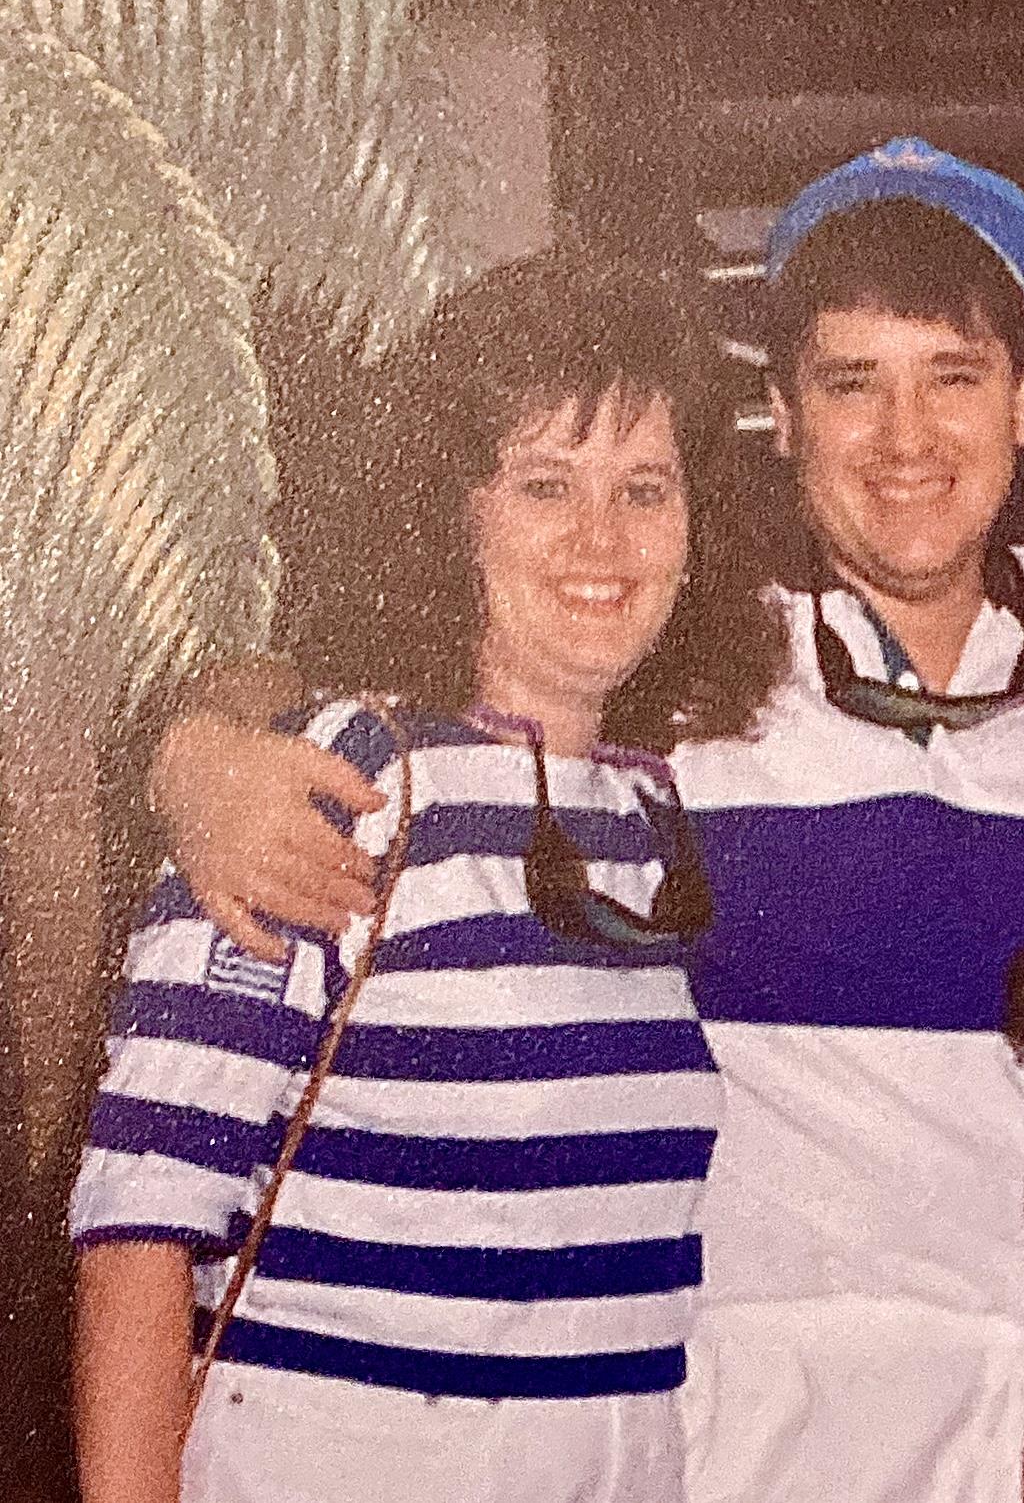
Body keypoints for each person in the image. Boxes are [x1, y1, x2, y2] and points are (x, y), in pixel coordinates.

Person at [139, 141, 1024, 1503]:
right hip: (730, 1442)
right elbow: (364, 673)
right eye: (850, 384)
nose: (905, 439)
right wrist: (199, 749)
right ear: (779, 413)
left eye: (952, 378)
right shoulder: (684, 686)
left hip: (1022, 1424)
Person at [71, 252, 779, 1503]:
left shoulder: (650, 810)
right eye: (544, 484)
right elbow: (141, 1228)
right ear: (454, 510)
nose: (600, 539)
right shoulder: (338, 779)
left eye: (644, 488)